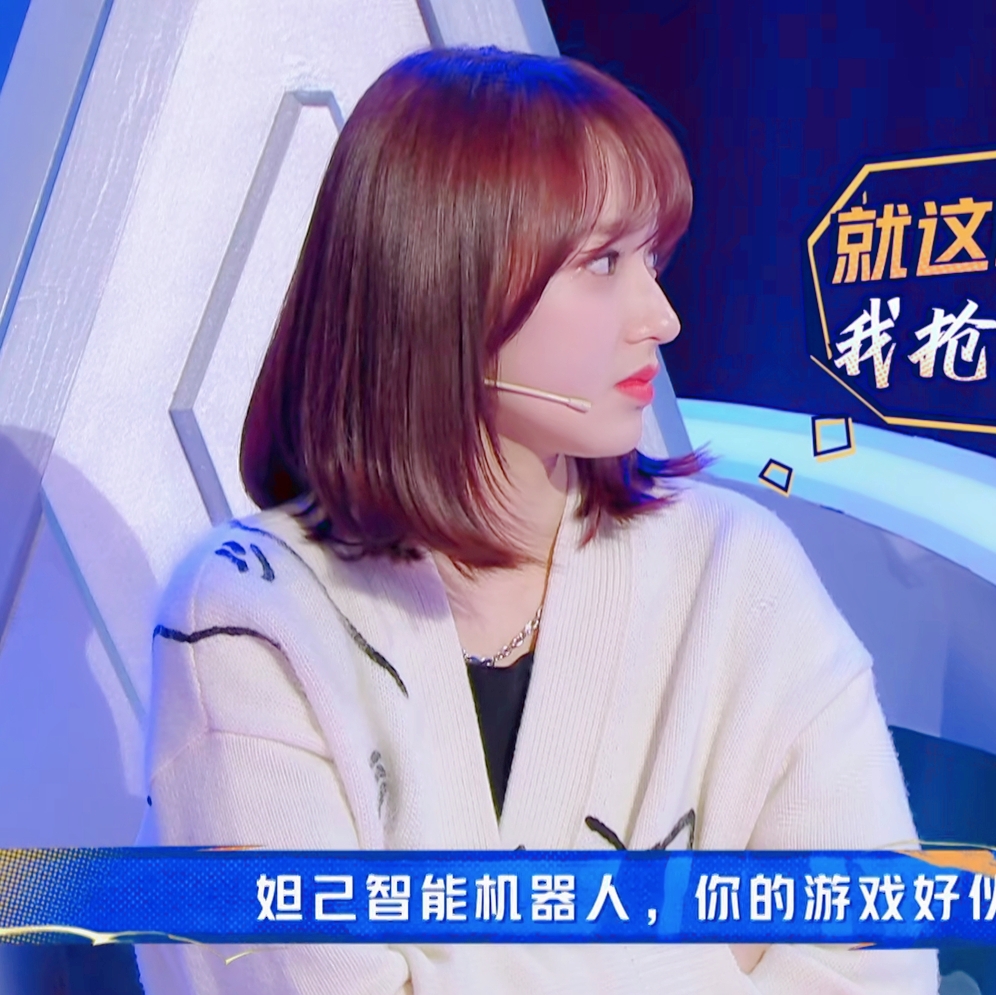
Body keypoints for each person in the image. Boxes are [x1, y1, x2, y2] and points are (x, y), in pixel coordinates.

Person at [136, 46, 938, 994]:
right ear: (442, 280)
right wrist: (710, 962)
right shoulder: (250, 613)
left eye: (651, 259)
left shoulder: (739, 567)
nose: (661, 318)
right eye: (602, 262)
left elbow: (880, 963)